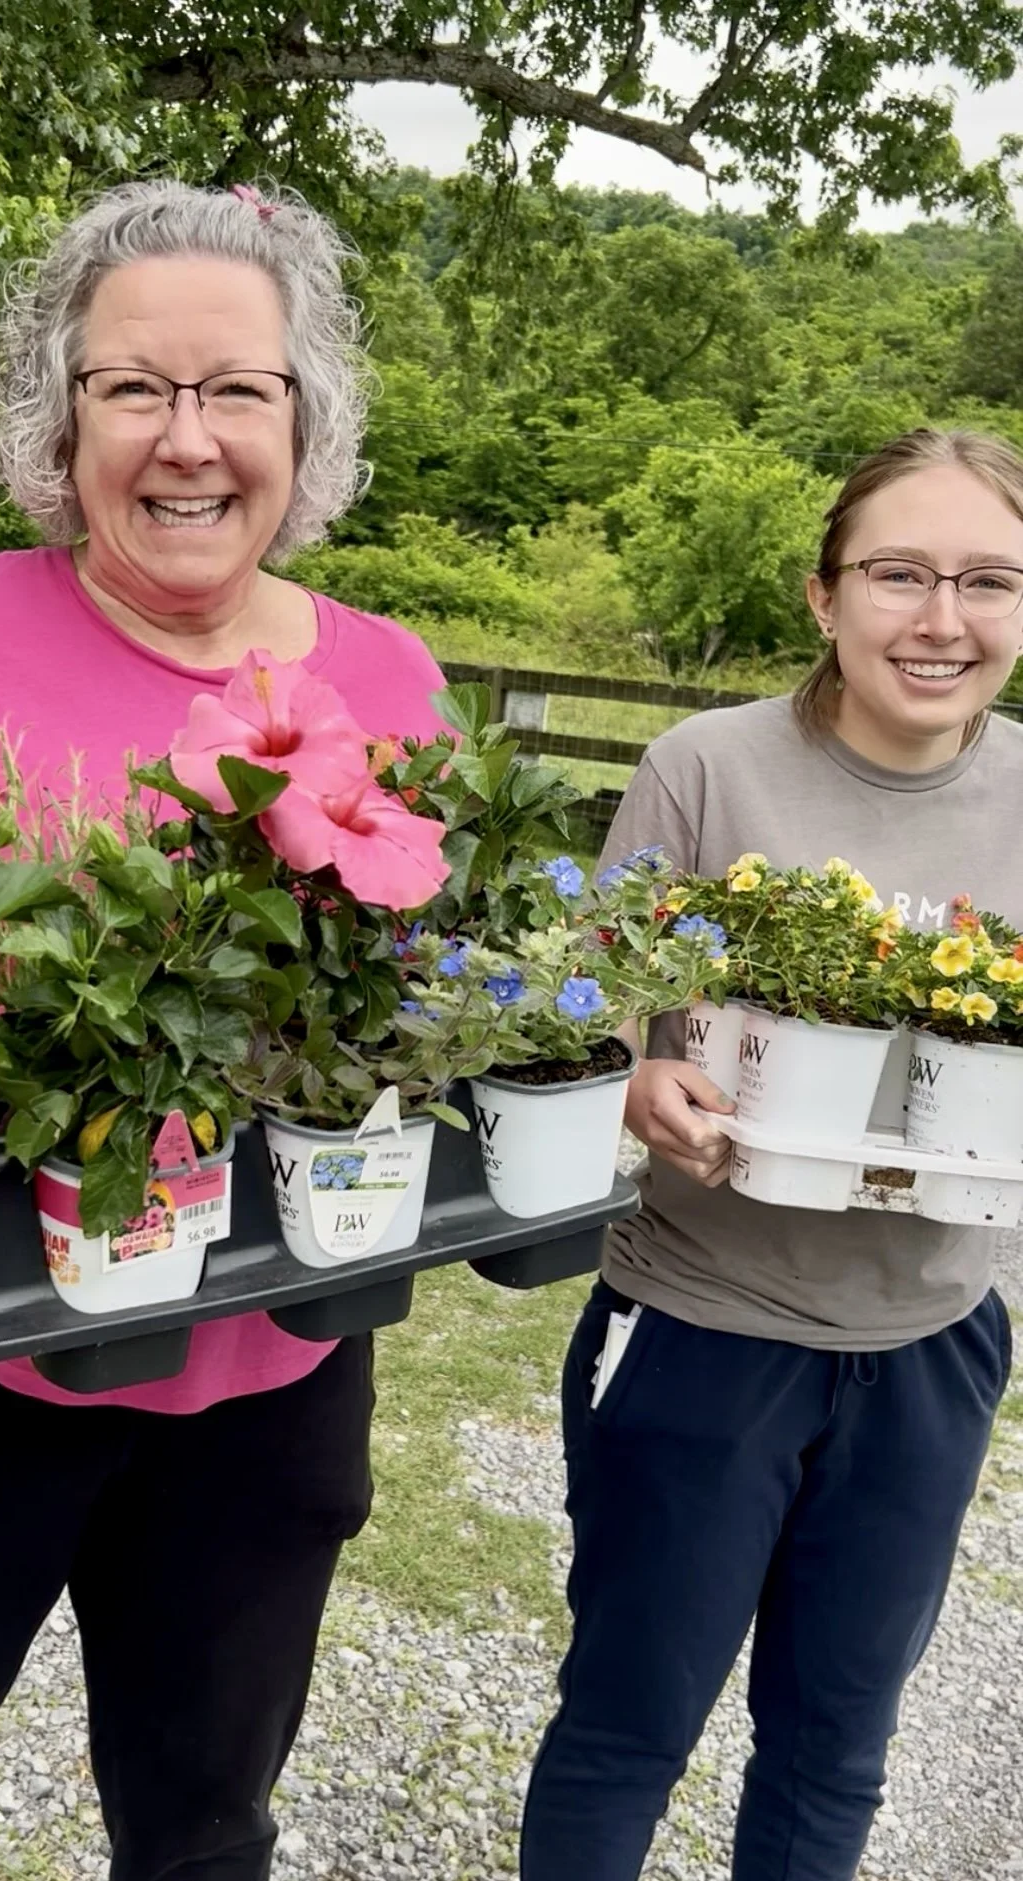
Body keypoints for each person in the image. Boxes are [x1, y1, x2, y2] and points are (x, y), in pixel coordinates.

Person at [0, 178, 449, 1881]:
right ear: (62, 419)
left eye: (238, 390)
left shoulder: (393, 676)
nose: (186, 438)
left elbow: (415, 1018)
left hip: (265, 1366)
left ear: (307, 421)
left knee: (205, 1830)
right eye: (135, 387)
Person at [520, 428, 1022, 1881]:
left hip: (932, 1339)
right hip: (697, 1333)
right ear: (823, 596)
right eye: (900, 575)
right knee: (626, 1722)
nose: (942, 620)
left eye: (987, 580)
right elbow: (582, 1010)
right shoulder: (708, 770)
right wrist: (632, 1083)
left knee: (834, 1745)